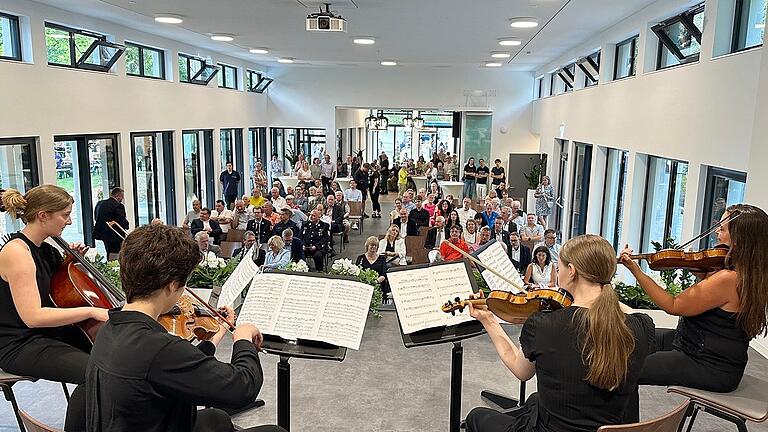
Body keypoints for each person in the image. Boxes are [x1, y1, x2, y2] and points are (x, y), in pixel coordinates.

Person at [85, 224, 283, 432]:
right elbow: (243, 387)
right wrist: (242, 340)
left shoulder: (111, 326)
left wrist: (220, 330)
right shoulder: (159, 348)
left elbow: (178, 366)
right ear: (171, 285)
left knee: (216, 418)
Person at [465, 234, 655, 432]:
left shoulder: (544, 324)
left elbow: (521, 370)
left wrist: (488, 319)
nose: (558, 269)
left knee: (477, 417)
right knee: (534, 401)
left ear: (571, 271)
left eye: (560, 265)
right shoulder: (641, 326)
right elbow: (624, 311)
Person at [620, 204, 768, 395]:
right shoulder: (749, 273)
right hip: (694, 343)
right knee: (631, 337)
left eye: (722, 228)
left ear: (739, 240)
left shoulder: (728, 278)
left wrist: (636, 271)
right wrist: (702, 274)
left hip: (708, 365)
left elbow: (673, 305)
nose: (716, 231)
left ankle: (620, 424)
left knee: (621, 370)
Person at [0, 186, 108, 431]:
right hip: (19, 343)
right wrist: (91, 311)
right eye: (65, 214)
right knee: (95, 374)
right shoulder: (17, 253)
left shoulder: (47, 250)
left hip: (49, 334)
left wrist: (69, 264)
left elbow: (55, 294)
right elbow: (33, 317)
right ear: (43, 215)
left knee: (118, 360)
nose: (69, 222)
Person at [92, 187, 129, 256]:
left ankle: (109, 262)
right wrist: (127, 225)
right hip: (114, 234)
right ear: (117, 196)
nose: (122, 199)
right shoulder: (118, 206)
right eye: (122, 197)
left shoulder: (100, 203)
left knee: (108, 250)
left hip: (102, 233)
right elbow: (121, 219)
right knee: (116, 253)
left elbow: (96, 217)